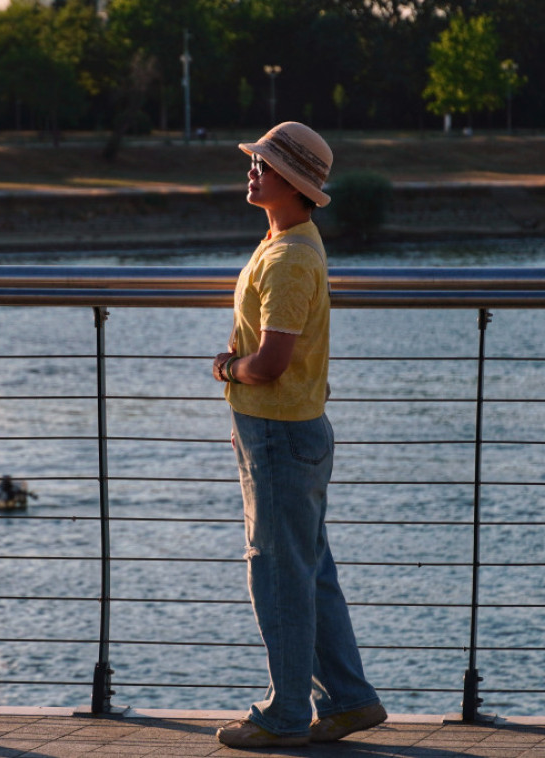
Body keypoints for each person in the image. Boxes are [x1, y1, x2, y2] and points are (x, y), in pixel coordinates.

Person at [211, 122, 385, 749]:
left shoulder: (287, 258)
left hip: (280, 434)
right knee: (306, 572)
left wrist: (229, 368)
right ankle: (349, 700)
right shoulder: (288, 239)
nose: (252, 171)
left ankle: (285, 714)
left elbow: (271, 365)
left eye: (263, 164)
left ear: (295, 183)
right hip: (283, 432)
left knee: (279, 575)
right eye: (255, 161)